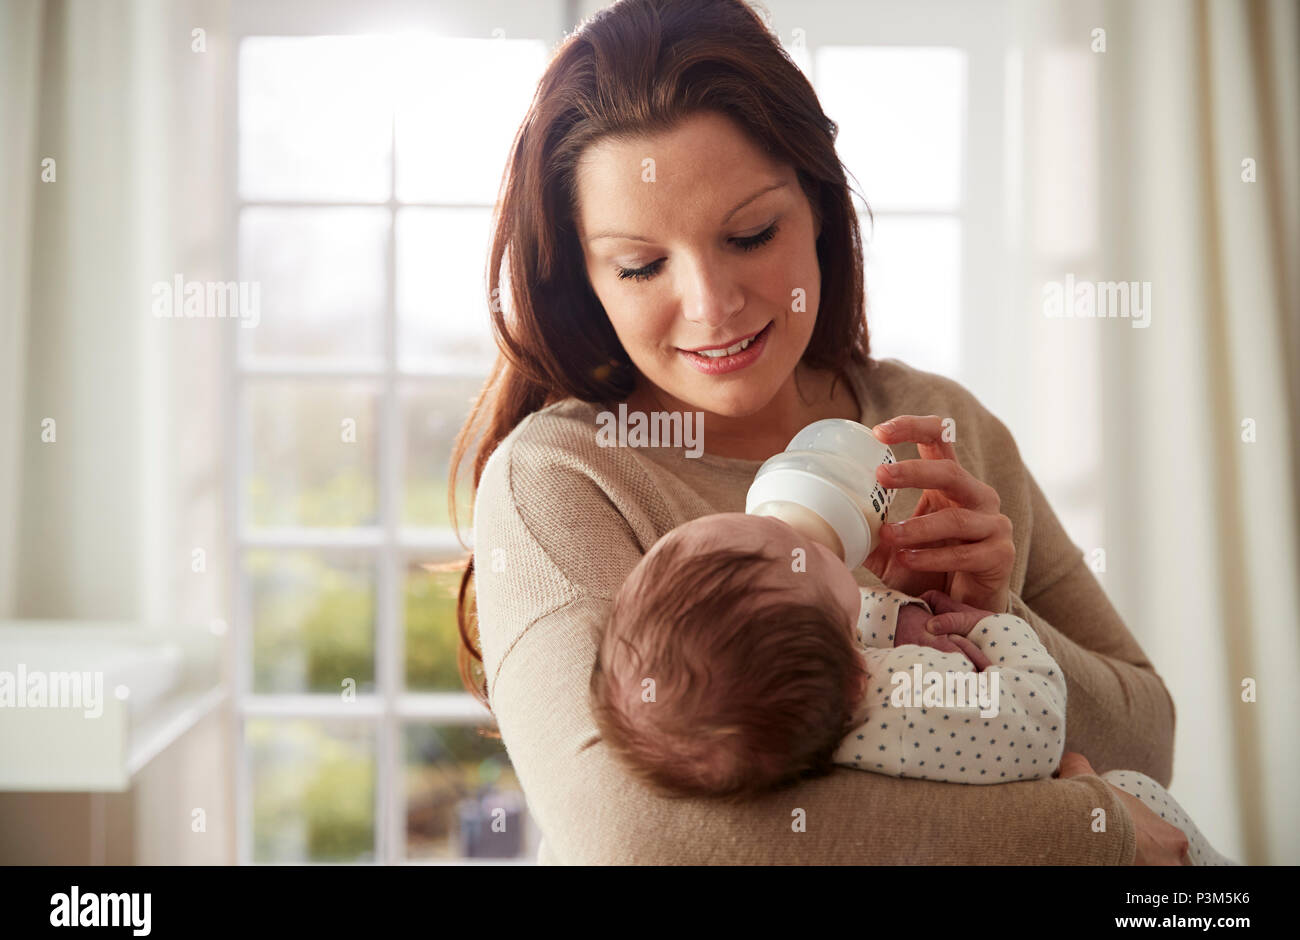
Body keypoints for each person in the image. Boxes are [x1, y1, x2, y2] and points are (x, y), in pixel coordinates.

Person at [450, 0, 1186, 864]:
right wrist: (1082, 830)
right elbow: (636, 838)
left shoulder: (939, 432)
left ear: (822, 211)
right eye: (642, 264)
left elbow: (1149, 747)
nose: (712, 306)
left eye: (752, 233)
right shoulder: (562, 481)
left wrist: (992, 609)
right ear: (585, 279)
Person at [588, 512, 1236, 865]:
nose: (805, 538)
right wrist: (996, 628)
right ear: (855, 676)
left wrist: (899, 616)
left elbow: (841, 625)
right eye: (798, 553)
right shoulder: (912, 704)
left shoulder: (791, 723)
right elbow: (1037, 722)